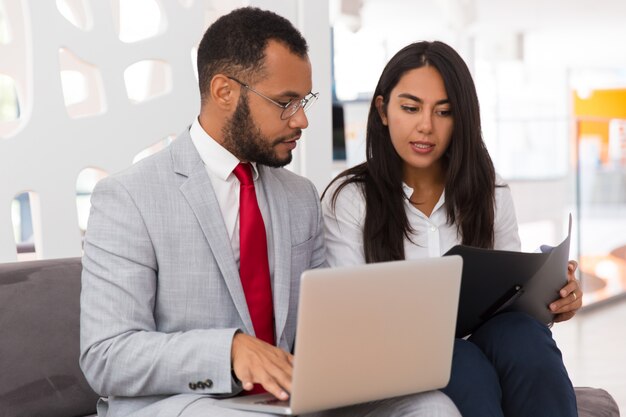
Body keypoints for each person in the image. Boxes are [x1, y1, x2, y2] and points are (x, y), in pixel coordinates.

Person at [80, 9, 461, 417]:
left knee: (430, 407)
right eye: (285, 102)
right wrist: (229, 350)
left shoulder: (299, 197)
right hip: (188, 402)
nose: (302, 119)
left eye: (304, 100)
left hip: (288, 396)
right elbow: (106, 355)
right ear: (224, 91)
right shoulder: (128, 197)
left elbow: (321, 330)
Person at [322, 40, 583, 417]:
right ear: (382, 110)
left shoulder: (489, 190)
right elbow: (352, 320)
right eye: (410, 108)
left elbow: (514, 300)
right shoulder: (349, 199)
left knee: (527, 340)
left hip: (480, 340)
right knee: (461, 361)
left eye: (444, 112)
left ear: (462, 119)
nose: (425, 126)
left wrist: (556, 296)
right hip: (395, 356)